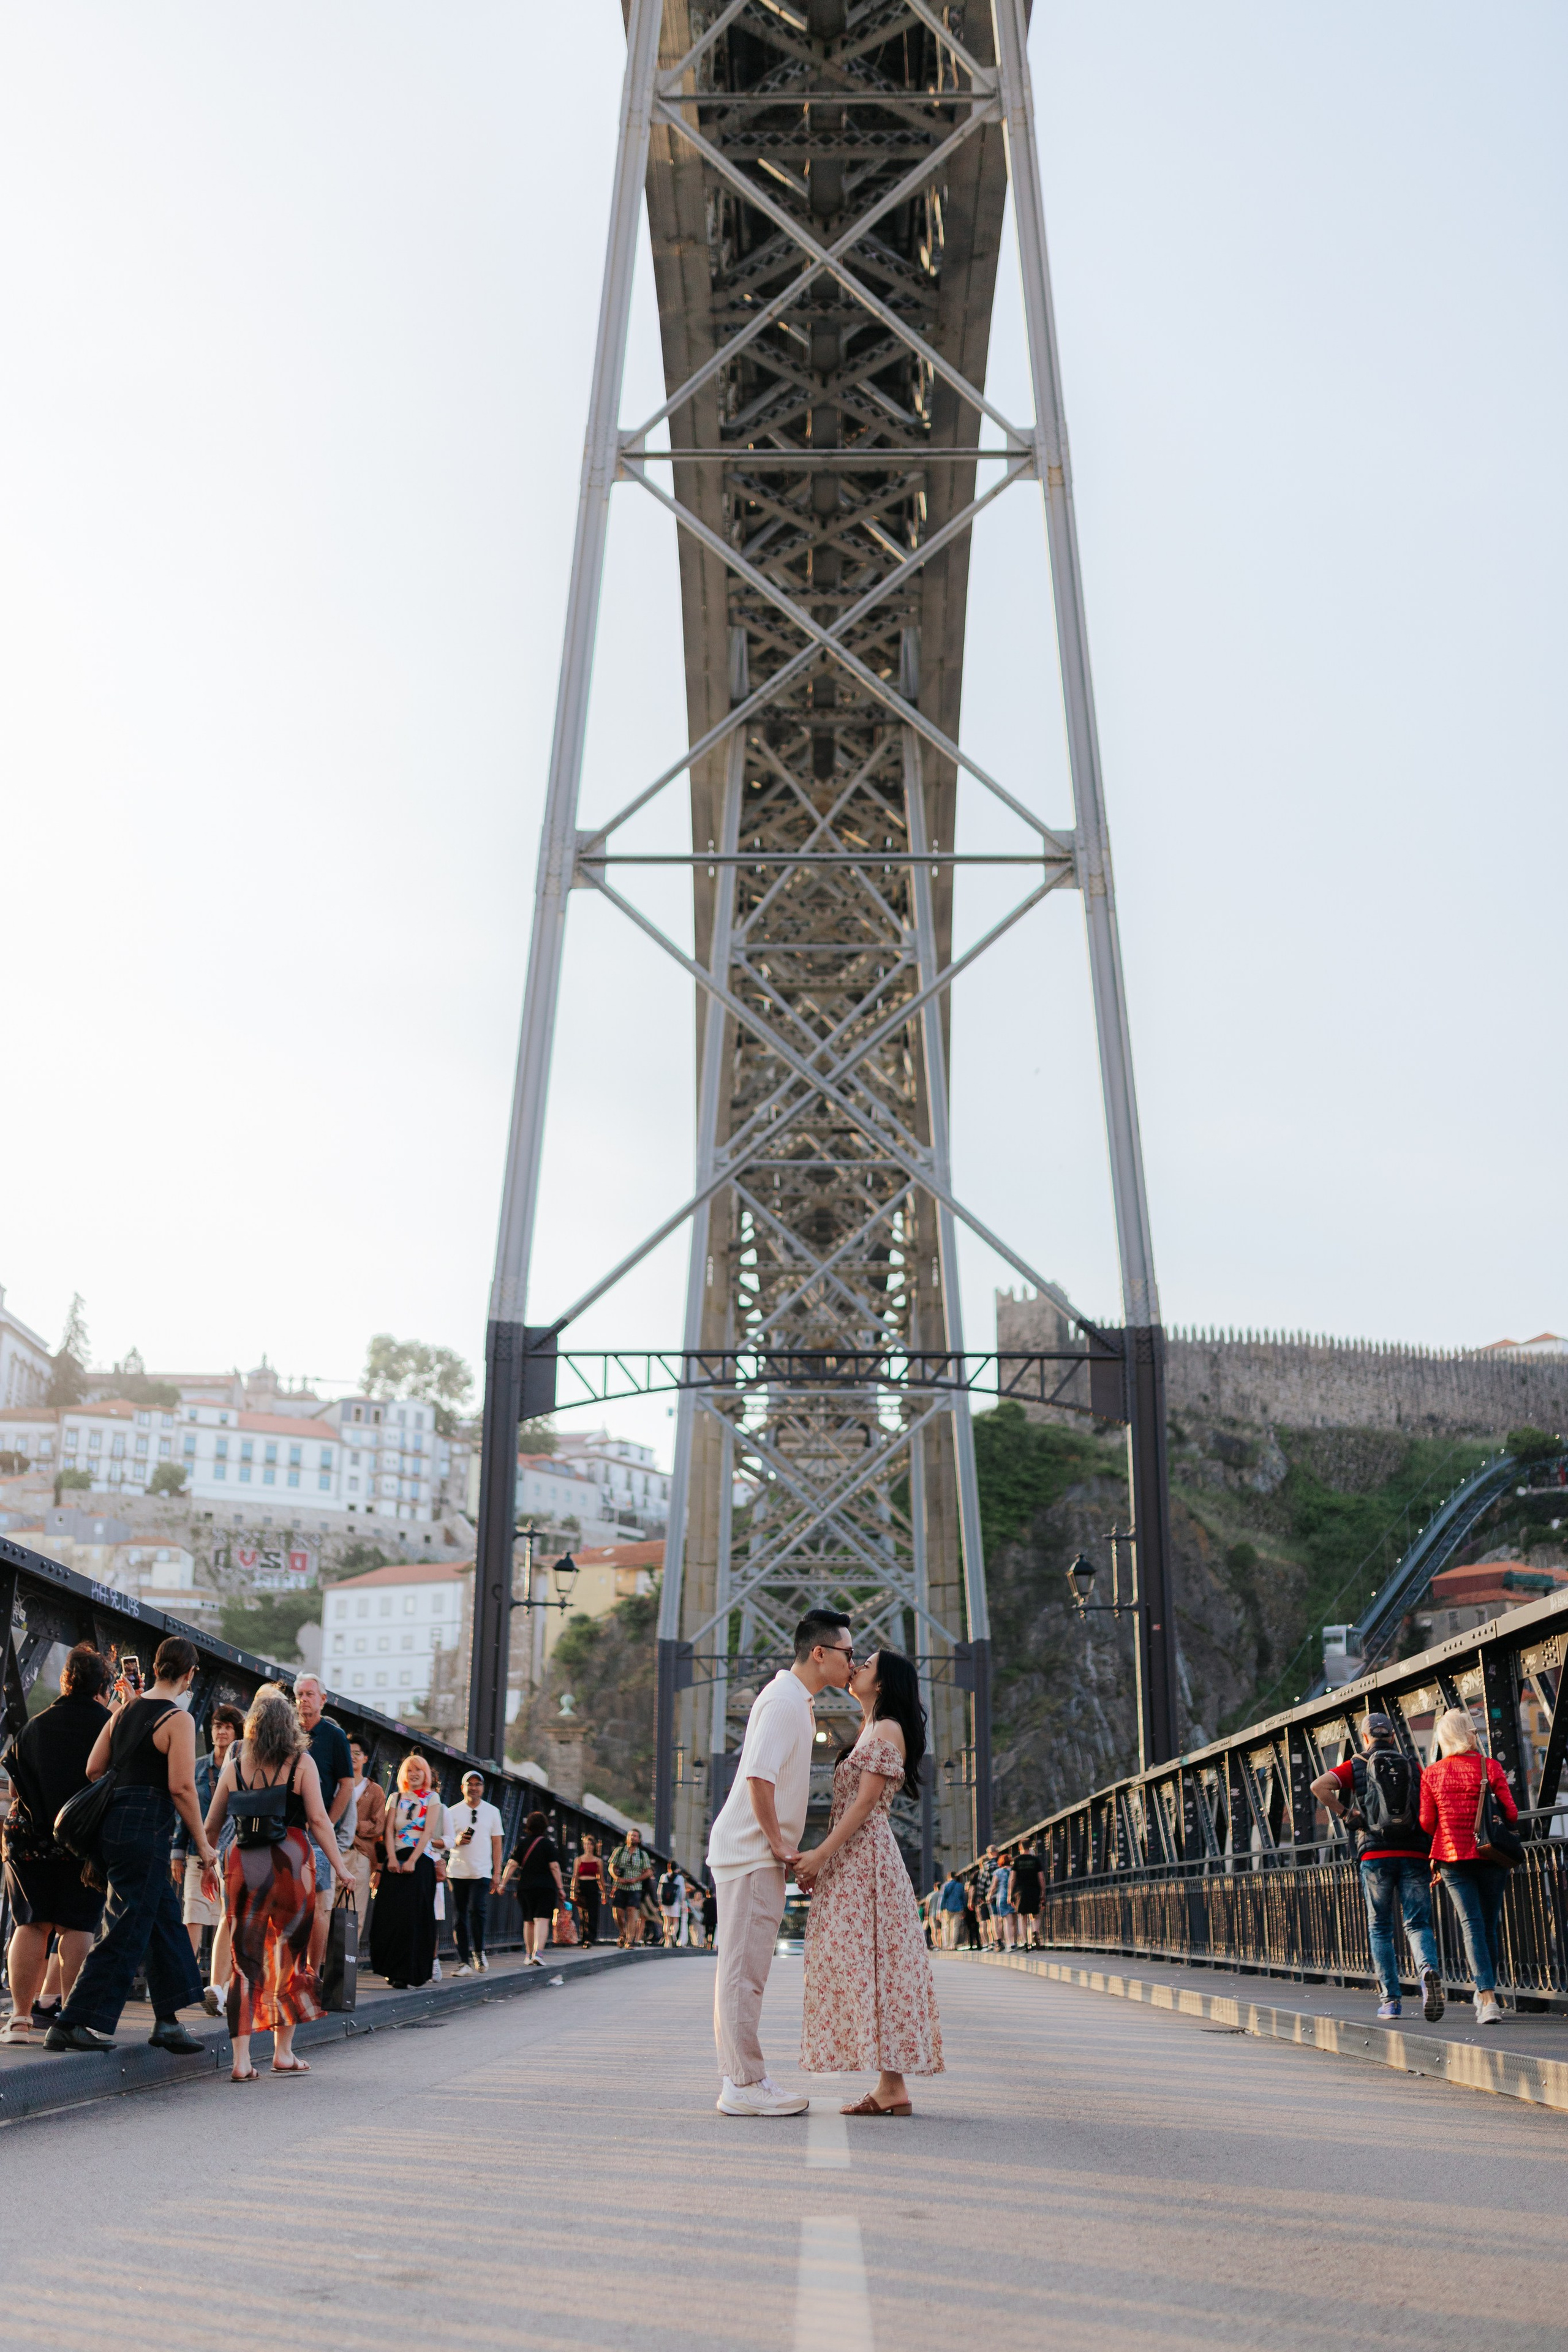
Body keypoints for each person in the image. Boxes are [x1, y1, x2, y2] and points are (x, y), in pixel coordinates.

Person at [706, 1607, 854, 2117]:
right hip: (751, 1852)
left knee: (745, 1970)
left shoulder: (795, 1700)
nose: (852, 1662)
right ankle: (743, 2084)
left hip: (753, 1852)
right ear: (820, 1652)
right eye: (847, 1653)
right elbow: (759, 1777)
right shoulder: (786, 1702)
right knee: (743, 1972)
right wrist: (780, 1846)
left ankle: (742, 2078)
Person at [45, 1636, 220, 2055]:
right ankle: (72, 2021)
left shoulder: (123, 1711)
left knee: (163, 1923)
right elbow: (181, 1787)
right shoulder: (177, 1719)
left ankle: (168, 2021)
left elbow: (93, 1769)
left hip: (114, 1826)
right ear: (190, 1674)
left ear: (156, 1666)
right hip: (147, 1827)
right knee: (125, 1927)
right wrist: (204, 1844)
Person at [797, 1646, 943, 2116]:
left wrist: (820, 1855)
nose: (856, 1666)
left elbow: (863, 1805)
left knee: (874, 1966)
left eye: (867, 1665)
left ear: (881, 1684)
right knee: (864, 1965)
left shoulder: (886, 1729)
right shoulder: (870, 1729)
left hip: (867, 1863)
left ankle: (892, 2085)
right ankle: (890, 2084)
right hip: (858, 1861)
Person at [203, 1683, 355, 2081]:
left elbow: (213, 1821)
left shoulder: (235, 1759)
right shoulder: (301, 1761)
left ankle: (240, 2062)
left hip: (242, 1862)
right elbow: (321, 1822)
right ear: (290, 1724)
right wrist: (340, 1868)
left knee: (244, 1962)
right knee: (290, 1958)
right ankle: (283, 2053)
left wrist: (206, 1864)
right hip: (292, 1863)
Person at [2, 1643, 113, 2044]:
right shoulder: (109, 1724)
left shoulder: (35, 1726)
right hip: (82, 1841)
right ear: (103, 1684)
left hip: (29, 1839)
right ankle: (72, 2020)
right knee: (77, 1925)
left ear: (67, 1680)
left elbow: (15, 1785)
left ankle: (18, 2020)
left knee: (30, 1923)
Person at [1311, 1711, 1444, 2023]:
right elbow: (1429, 1804)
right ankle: (1427, 1970)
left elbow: (1320, 1787)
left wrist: (1346, 1814)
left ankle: (1391, 2002)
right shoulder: (1412, 1765)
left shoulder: (1356, 1764)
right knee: (1418, 1923)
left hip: (1375, 1855)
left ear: (1366, 1737)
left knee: (1380, 1927)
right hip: (1414, 1853)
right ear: (1393, 1738)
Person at [1421, 1708, 1519, 2027]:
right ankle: (1489, 1993)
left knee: (1472, 1925)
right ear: (1469, 1734)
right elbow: (1512, 1814)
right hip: (1492, 1854)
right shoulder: (1489, 1766)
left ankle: (1486, 1997)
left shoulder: (1432, 1773)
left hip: (1452, 1857)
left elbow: (1426, 1822)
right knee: (1489, 1925)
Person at [173, 1702, 246, 2014]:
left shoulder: (245, 1765)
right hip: (198, 1853)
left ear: (237, 1732)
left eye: (228, 1726)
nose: (221, 1731)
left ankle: (225, 1988)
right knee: (193, 1918)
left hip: (232, 1854)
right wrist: (177, 1851)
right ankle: (189, 1987)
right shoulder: (199, 1766)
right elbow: (184, 1808)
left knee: (226, 1921)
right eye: (217, 1726)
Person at [293, 1677, 354, 1977]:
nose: (304, 1700)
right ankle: (288, 1970)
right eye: (300, 1694)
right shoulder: (287, 1733)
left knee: (320, 1905)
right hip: (290, 1829)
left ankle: (312, 1973)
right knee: (291, 1902)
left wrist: (328, 1823)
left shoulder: (334, 1736)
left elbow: (346, 1784)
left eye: (310, 1694)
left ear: (323, 1700)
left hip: (317, 1832)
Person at [370, 1753, 442, 1988]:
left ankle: (413, 1972)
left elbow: (428, 1833)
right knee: (390, 1915)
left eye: (419, 1770)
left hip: (420, 1860)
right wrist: (391, 1858)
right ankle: (391, 1968)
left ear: (426, 1774)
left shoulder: (432, 1799)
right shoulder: (395, 1797)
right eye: (410, 1770)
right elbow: (388, 1830)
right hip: (395, 1859)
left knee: (415, 1916)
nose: (414, 1774)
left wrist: (412, 1860)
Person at [443, 1770, 504, 1977]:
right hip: (457, 1870)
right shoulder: (451, 1812)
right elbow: (444, 1840)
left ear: (483, 1788)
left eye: (478, 1784)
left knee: (477, 1911)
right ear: (463, 1788)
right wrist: (458, 1841)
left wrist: (498, 1872)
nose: (474, 1787)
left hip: (482, 1871)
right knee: (459, 1916)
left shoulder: (492, 1812)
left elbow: (497, 1843)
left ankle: (479, 1951)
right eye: (470, 1784)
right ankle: (463, 1962)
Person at [500, 1809, 567, 1964]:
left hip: (526, 1887)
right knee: (542, 1920)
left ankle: (529, 1955)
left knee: (529, 1921)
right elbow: (555, 1867)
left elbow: (512, 1864)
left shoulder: (523, 1844)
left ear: (528, 1826)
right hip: (545, 1887)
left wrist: (503, 1883)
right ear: (544, 1826)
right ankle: (539, 1954)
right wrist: (561, 1888)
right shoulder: (548, 1845)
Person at [346, 1738, 386, 1943]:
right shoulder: (337, 1784)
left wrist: (352, 1825)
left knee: (355, 1912)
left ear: (365, 1758)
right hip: (335, 1852)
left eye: (357, 1753)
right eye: (349, 1751)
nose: (352, 1757)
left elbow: (379, 1825)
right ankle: (323, 1965)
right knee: (326, 1908)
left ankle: (347, 1962)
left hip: (362, 1854)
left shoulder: (375, 1790)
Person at [608, 1827, 654, 1947]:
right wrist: (617, 1878)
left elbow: (649, 1872)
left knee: (631, 1911)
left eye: (635, 1836)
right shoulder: (619, 1851)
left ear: (639, 1840)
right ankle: (622, 1933)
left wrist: (637, 1879)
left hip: (635, 1888)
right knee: (618, 1913)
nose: (632, 1838)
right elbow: (611, 1867)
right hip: (620, 1885)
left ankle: (630, 1939)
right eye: (630, 1835)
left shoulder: (642, 1855)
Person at [570, 1831, 605, 1947]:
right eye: (586, 1844)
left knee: (593, 1913)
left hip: (593, 1885)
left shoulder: (598, 1861)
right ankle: (583, 1936)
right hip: (582, 1886)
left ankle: (591, 1937)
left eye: (590, 1844)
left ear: (594, 1846)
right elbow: (575, 1876)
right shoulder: (579, 1860)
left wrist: (604, 1892)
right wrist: (573, 1890)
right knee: (582, 1913)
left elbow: (601, 1878)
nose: (588, 1847)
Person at [1011, 1840, 1044, 1949]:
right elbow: (1041, 1878)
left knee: (1022, 1917)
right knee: (1036, 1915)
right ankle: (1035, 1932)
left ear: (1020, 1847)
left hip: (1020, 1891)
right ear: (1030, 1847)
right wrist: (1043, 1893)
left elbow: (1012, 1879)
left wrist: (1010, 1894)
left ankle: (1025, 1942)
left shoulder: (1017, 1861)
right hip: (1034, 1890)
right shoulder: (1036, 1860)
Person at [990, 1849, 1016, 1950]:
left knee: (1007, 1922)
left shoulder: (998, 1872)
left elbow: (994, 1886)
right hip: (1014, 1897)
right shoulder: (1013, 1870)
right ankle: (1017, 1942)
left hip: (1002, 1897)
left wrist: (989, 1895)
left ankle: (1010, 1944)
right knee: (1015, 1922)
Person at [937, 1868, 967, 1950]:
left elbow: (942, 1898)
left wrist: (940, 1910)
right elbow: (963, 1898)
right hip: (958, 1908)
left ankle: (946, 1945)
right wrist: (964, 1908)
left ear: (949, 1877)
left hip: (947, 1908)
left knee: (946, 1926)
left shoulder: (945, 1885)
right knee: (955, 1927)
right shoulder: (961, 1886)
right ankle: (953, 1945)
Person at [658, 1863, 685, 1948]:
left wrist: (660, 1902)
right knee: (675, 1922)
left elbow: (659, 1891)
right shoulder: (680, 1878)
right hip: (675, 1903)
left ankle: (667, 1941)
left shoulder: (664, 1876)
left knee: (667, 1922)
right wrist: (682, 1903)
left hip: (665, 1902)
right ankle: (673, 1935)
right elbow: (682, 1892)